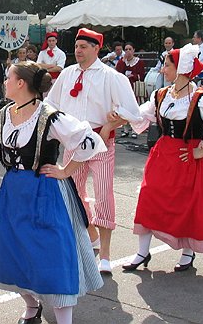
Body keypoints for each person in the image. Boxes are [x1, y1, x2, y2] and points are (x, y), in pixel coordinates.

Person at [0, 61, 105, 324]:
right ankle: (31, 306)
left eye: (8, 77)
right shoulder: (1, 117)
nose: (5, 82)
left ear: (21, 83)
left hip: (45, 191)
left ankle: (64, 319)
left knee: (52, 254)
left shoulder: (49, 115)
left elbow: (89, 141)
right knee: (14, 252)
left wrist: (66, 170)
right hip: (13, 193)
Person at [122, 44, 203, 272]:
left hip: (188, 157)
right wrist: (118, 112)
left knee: (186, 205)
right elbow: (139, 114)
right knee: (148, 198)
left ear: (181, 69)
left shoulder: (199, 98)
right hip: (162, 155)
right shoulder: (161, 95)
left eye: (167, 66)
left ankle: (188, 252)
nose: (162, 70)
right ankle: (142, 252)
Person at [46, 28, 142, 274]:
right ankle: (89, 237)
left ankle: (106, 255)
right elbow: (50, 106)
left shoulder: (111, 76)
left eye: (84, 47)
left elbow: (133, 112)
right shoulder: (67, 74)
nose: (78, 51)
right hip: (74, 143)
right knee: (73, 194)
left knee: (103, 194)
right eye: (77, 46)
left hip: (100, 142)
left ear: (96, 49)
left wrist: (113, 121)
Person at [116, 42, 145, 138]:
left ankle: (134, 130)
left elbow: (142, 75)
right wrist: (123, 61)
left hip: (134, 87)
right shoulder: (122, 61)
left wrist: (134, 76)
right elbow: (118, 73)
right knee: (124, 108)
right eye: (126, 49)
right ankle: (125, 129)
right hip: (124, 88)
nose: (128, 51)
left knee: (134, 108)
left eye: (130, 49)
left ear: (133, 50)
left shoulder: (139, 62)